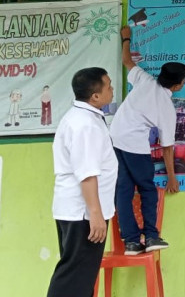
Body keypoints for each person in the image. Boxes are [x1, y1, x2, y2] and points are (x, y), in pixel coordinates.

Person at [110, 25, 185, 256]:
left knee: (123, 189)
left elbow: (127, 61)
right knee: (147, 188)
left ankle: (132, 242)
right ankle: (152, 235)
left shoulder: (144, 80)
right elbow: (167, 148)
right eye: (183, 82)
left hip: (115, 136)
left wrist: (126, 38)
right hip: (133, 144)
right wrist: (172, 178)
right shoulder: (166, 107)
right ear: (176, 86)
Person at [47, 67, 118, 297]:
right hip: (83, 214)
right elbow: (87, 173)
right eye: (108, 86)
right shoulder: (84, 124)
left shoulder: (85, 118)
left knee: (80, 278)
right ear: (95, 96)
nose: (112, 89)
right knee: (74, 280)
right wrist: (95, 214)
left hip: (79, 211)